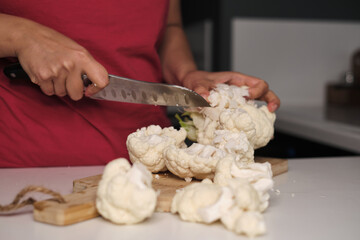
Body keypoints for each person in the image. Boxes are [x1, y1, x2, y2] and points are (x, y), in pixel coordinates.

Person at [0, 0, 280, 168]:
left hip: (151, 164)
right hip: (26, 167)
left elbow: (168, 27)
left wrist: (188, 75)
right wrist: (24, 36)